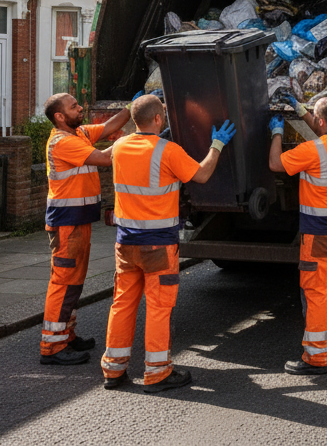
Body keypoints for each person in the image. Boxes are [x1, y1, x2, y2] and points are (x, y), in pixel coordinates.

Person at [101, 95, 235, 393]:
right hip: (159, 246)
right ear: (159, 120)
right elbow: (201, 174)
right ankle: (157, 372)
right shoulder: (168, 151)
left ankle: (113, 369)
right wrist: (217, 145)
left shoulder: (120, 147)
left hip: (125, 244)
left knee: (122, 303)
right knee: (159, 307)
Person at [38, 91, 132, 366]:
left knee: (75, 282)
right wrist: (132, 139)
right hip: (67, 223)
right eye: (74, 106)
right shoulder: (63, 142)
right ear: (59, 116)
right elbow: (105, 159)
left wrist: (132, 108)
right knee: (63, 282)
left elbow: (108, 127)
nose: (80, 109)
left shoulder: (78, 134)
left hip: (77, 221)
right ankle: (52, 347)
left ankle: (66, 335)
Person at [269, 96, 327, 374]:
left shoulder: (311, 150)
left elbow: (275, 164)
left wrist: (276, 132)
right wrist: (302, 111)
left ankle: (316, 356)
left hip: (319, 235)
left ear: (320, 121)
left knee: (316, 291)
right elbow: (324, 130)